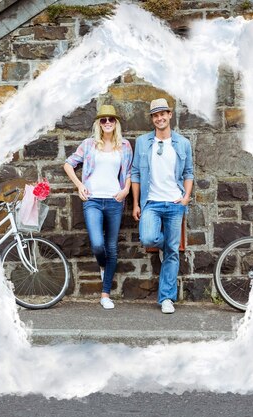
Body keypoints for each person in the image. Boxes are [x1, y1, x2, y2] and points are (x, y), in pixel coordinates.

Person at [64, 105, 133, 310]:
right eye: (103, 120)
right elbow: (69, 164)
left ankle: (105, 294)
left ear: (116, 122)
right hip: (92, 200)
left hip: (114, 200)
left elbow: (128, 172)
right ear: (98, 124)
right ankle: (103, 264)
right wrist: (79, 185)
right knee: (97, 244)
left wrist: (126, 190)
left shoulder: (125, 146)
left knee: (111, 246)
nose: (108, 123)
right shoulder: (88, 145)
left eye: (111, 119)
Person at [131, 98, 194, 314]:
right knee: (149, 238)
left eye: (163, 114)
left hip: (175, 203)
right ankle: (167, 244)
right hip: (151, 203)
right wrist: (136, 204)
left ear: (169, 115)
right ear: (152, 119)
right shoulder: (142, 142)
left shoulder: (183, 143)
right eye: (155, 115)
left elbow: (188, 173)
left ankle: (167, 298)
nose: (159, 118)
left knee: (172, 254)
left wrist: (186, 197)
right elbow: (136, 173)